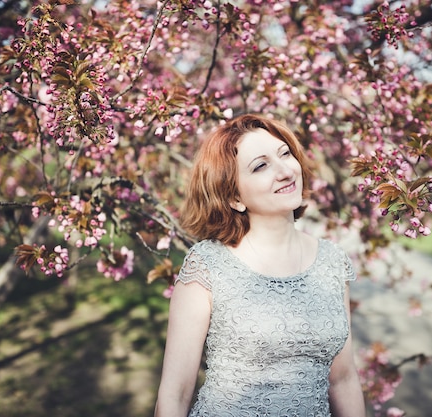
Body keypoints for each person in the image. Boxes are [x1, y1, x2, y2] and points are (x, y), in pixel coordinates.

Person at [155, 114, 365, 417]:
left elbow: (343, 379)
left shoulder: (332, 262)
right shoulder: (208, 266)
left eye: (285, 154)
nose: (284, 171)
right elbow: (175, 394)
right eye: (261, 166)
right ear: (235, 196)